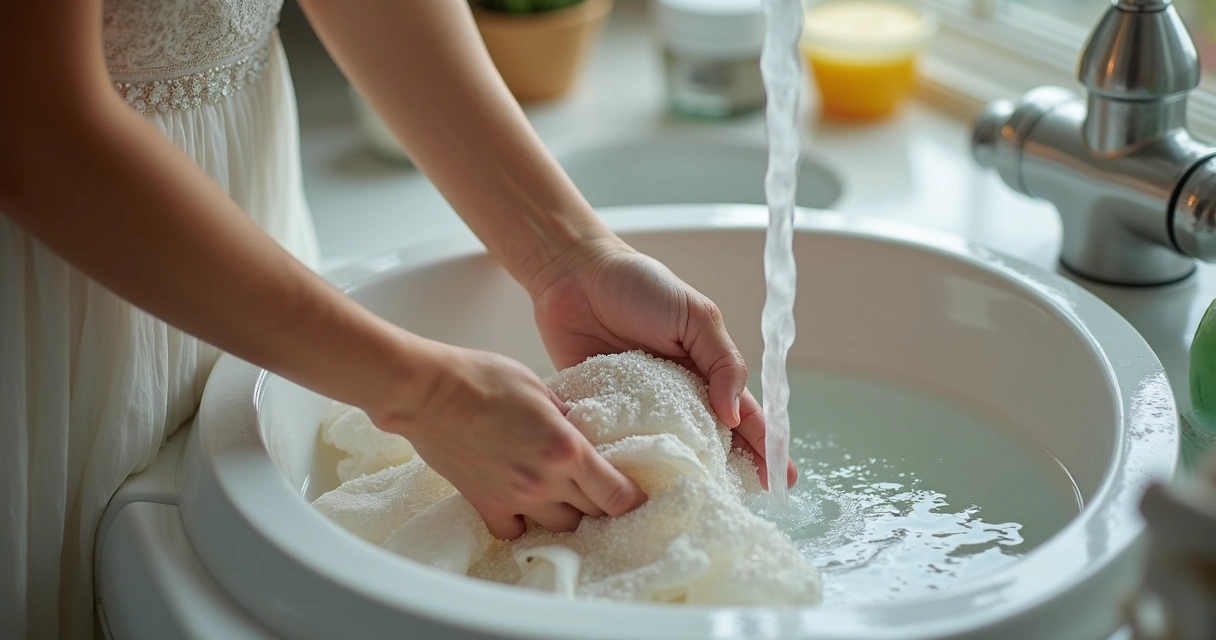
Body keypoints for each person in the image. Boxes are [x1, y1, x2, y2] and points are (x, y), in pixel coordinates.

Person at [0, 0, 795, 637]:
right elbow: (31, 124)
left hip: (249, 239)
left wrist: (568, 256)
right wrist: (425, 395)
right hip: (58, 299)